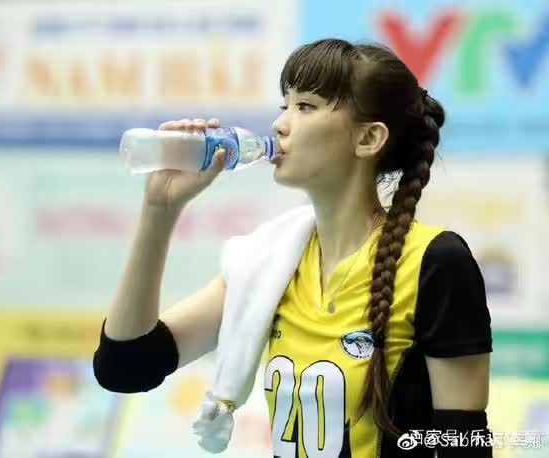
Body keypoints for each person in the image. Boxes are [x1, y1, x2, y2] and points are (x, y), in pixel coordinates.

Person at [93, 38, 493, 457]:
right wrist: (160, 210)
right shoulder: (268, 261)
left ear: (369, 138)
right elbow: (125, 366)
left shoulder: (436, 262)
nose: (280, 124)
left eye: (305, 107)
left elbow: (464, 445)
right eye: (285, 105)